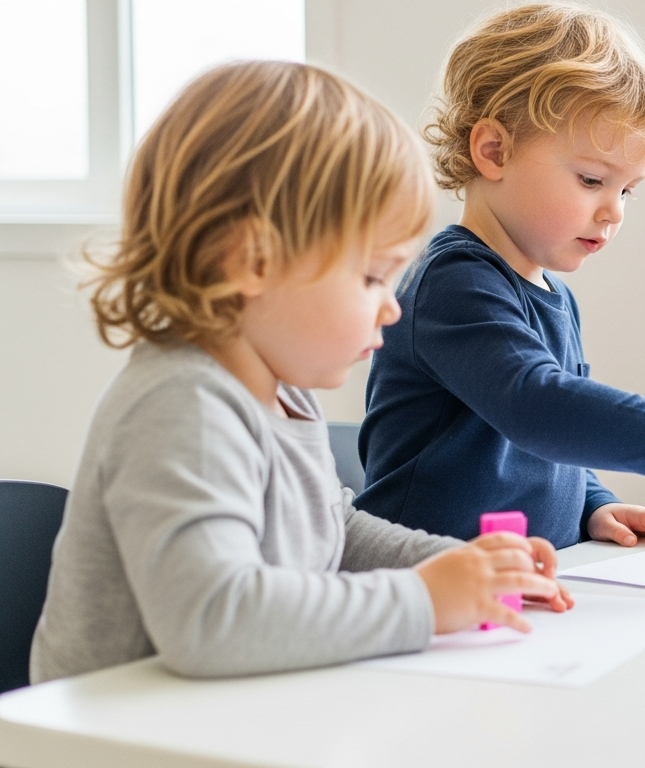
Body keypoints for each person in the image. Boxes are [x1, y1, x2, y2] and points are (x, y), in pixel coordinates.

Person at [31, 61, 571, 683]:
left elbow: (332, 534)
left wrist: (461, 568)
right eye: (371, 277)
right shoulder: (182, 405)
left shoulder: (283, 391)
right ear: (253, 260)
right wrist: (424, 600)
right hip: (119, 728)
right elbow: (212, 620)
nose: (392, 307)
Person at [356, 3, 645, 549]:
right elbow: (538, 408)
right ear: (494, 151)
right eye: (592, 180)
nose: (613, 210)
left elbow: (553, 439)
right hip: (417, 573)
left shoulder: (556, 297)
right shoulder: (452, 283)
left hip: (521, 575)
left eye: (627, 190)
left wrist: (594, 504)